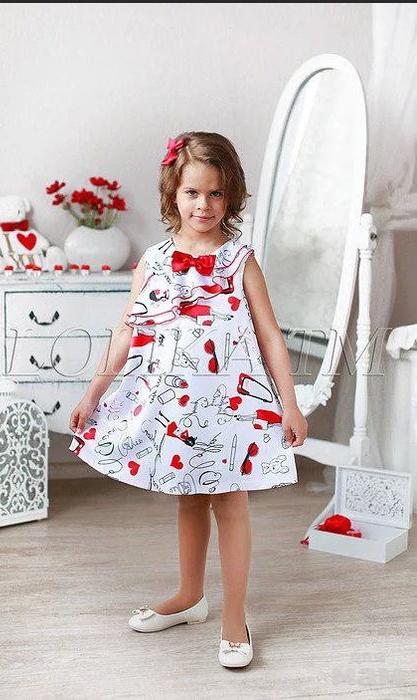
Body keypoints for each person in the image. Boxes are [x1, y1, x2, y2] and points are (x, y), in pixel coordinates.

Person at [69, 131, 308, 668]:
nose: (204, 205)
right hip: (175, 408)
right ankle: (190, 596)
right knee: (189, 497)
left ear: (232, 195)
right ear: (172, 194)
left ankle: (234, 618)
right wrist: (92, 394)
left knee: (230, 501)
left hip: (233, 409)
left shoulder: (239, 260)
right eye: (192, 193)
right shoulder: (154, 260)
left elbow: (270, 335)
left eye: (216, 193)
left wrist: (290, 403)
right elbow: (126, 333)